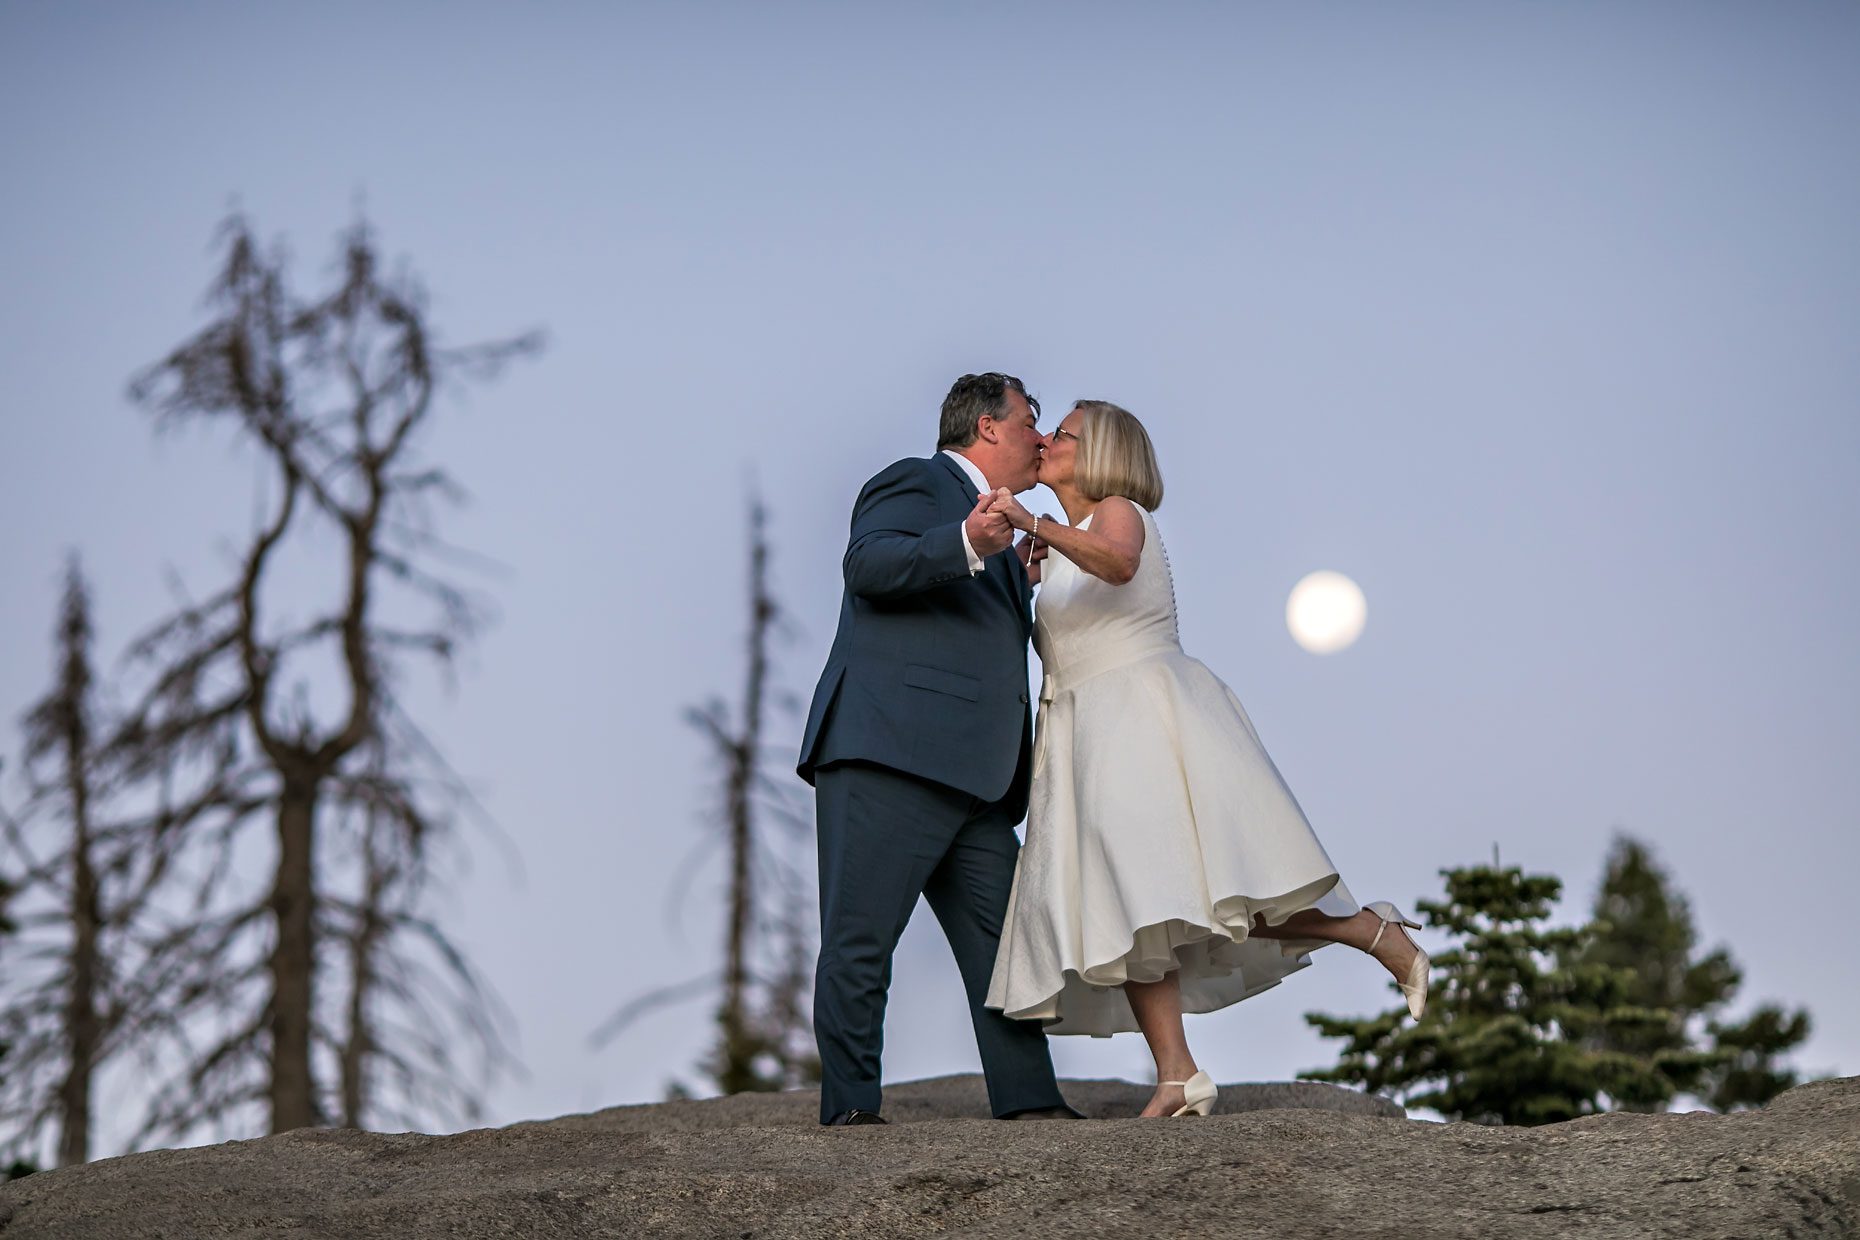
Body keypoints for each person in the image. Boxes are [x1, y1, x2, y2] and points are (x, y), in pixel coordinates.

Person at [982, 400, 1430, 1119]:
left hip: (1142, 723)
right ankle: (1177, 1075)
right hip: (1082, 735)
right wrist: (1032, 564)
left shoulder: (1116, 511)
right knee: (1128, 903)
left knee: (1201, 891)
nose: (1048, 444)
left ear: (1099, 453)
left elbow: (1121, 565)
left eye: (1061, 434)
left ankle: (1371, 931)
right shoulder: (1057, 545)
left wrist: (1036, 526)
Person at [797, 372, 1080, 1126]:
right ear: (987, 428)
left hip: (979, 781)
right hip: (890, 753)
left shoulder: (1003, 533)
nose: (1041, 437)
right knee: (861, 941)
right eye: (1030, 420)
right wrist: (965, 541)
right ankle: (852, 1113)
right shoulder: (917, 483)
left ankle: (1030, 1105)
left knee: (1007, 949)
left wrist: (1010, 575)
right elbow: (869, 566)